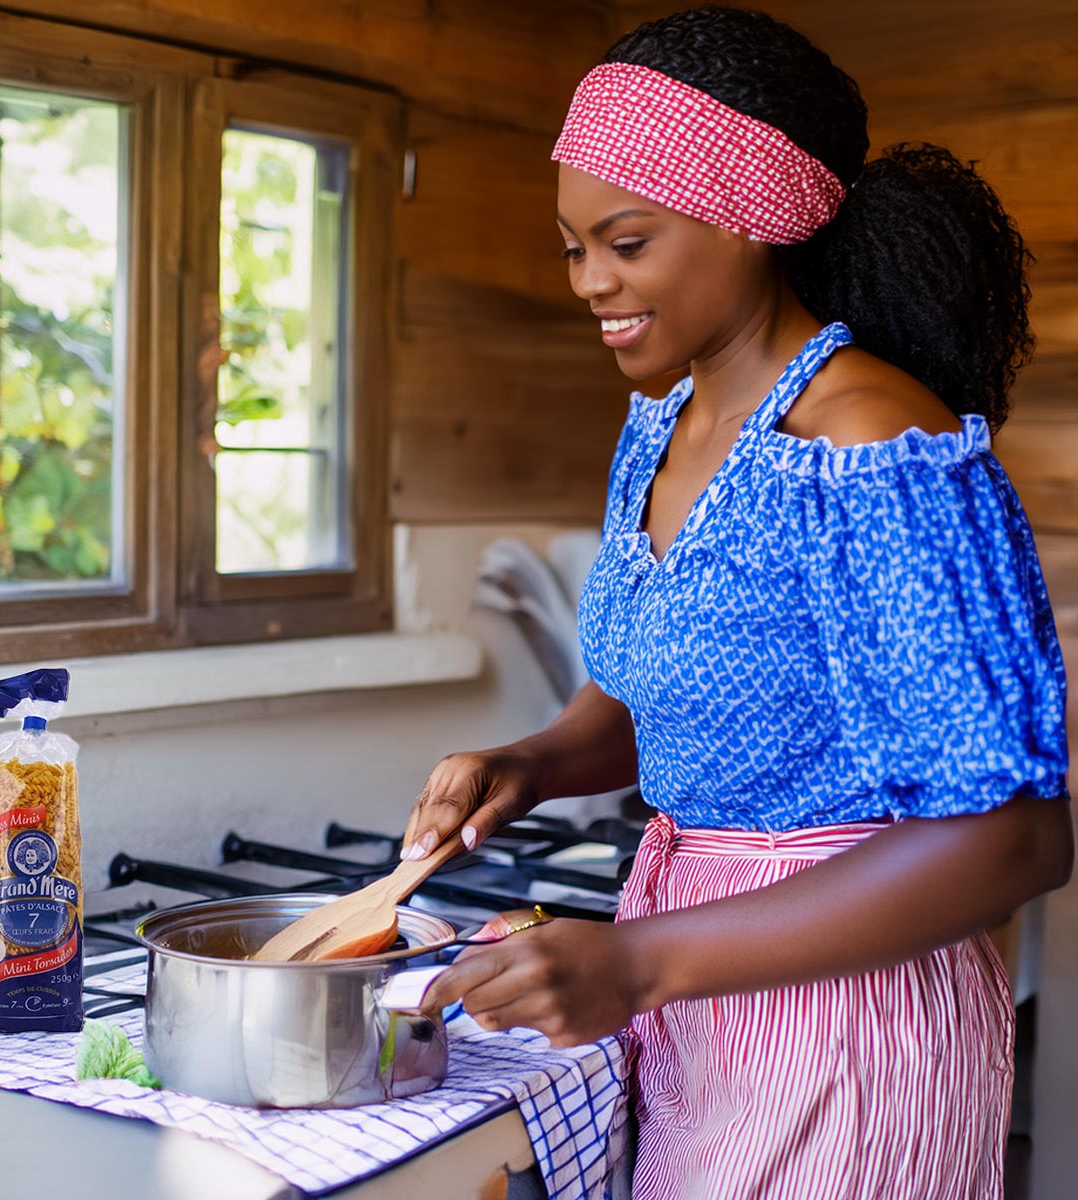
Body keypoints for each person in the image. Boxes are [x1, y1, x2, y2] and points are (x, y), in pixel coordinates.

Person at [401, 6, 1072, 1198]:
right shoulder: (659, 424)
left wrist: (640, 960)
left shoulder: (875, 447)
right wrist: (532, 761)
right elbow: (652, 695)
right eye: (572, 247)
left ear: (754, 217)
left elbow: (1010, 837)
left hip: (851, 1022)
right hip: (698, 997)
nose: (591, 283)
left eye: (626, 241)